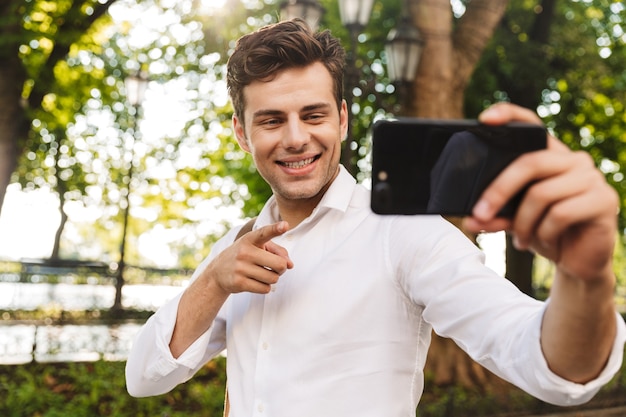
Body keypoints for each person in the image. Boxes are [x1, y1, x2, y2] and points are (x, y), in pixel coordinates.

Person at [125, 18, 626, 416]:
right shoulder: (233, 253)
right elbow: (145, 376)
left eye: (314, 115)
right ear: (241, 132)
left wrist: (585, 277)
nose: (296, 137)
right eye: (272, 120)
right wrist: (213, 281)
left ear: (342, 118)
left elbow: (552, 367)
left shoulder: (405, 235)